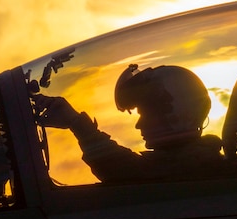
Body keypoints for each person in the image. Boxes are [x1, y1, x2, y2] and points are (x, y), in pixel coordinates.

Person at [33, 64, 225, 183]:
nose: (138, 126)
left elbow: (122, 168)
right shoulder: (197, 160)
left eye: (145, 114)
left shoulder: (189, 167)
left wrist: (77, 123)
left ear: (175, 112)